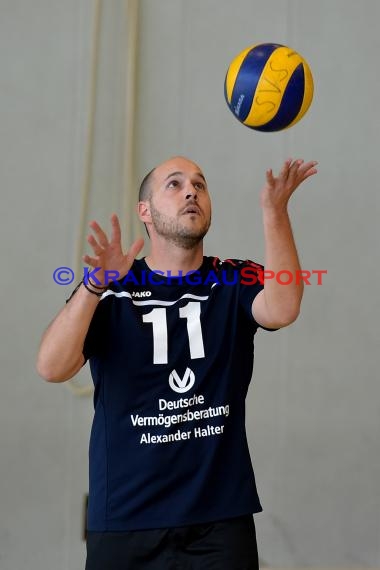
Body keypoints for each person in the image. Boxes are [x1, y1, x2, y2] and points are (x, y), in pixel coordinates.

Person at [37, 155, 317, 570]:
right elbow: (52, 367)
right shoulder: (112, 288)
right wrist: (94, 284)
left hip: (219, 520)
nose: (191, 191)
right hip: (125, 519)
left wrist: (274, 212)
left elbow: (283, 307)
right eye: (174, 184)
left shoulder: (232, 278)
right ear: (144, 212)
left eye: (200, 185)